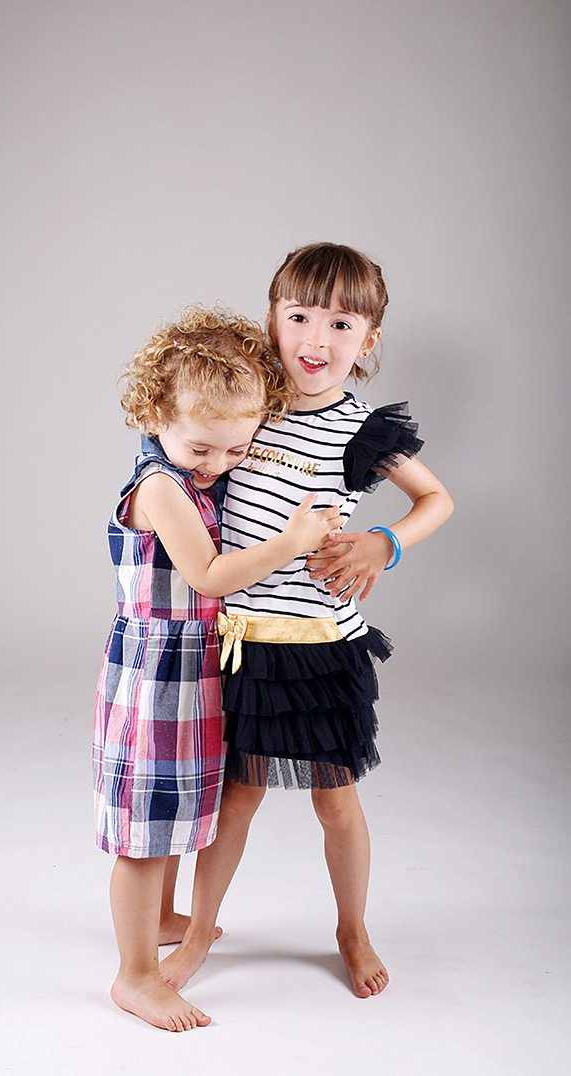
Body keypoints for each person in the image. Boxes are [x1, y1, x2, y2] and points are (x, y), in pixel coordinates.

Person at [160, 243, 454, 1000]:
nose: (315, 341)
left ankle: (350, 930)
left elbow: (436, 501)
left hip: (320, 648)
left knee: (335, 799)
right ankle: (197, 934)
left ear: (369, 340)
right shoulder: (247, 399)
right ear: (272, 318)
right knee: (236, 798)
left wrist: (382, 541)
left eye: (341, 324)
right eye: (297, 318)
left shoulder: (361, 432)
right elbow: (178, 440)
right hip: (242, 642)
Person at [93, 306, 340, 1031]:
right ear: (155, 412)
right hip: (157, 674)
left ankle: (163, 919)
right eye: (203, 450)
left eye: (236, 453)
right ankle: (134, 976)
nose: (218, 468)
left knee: (179, 816)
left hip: (199, 669)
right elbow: (205, 575)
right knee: (146, 829)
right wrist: (291, 542)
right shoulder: (161, 487)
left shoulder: (198, 466)